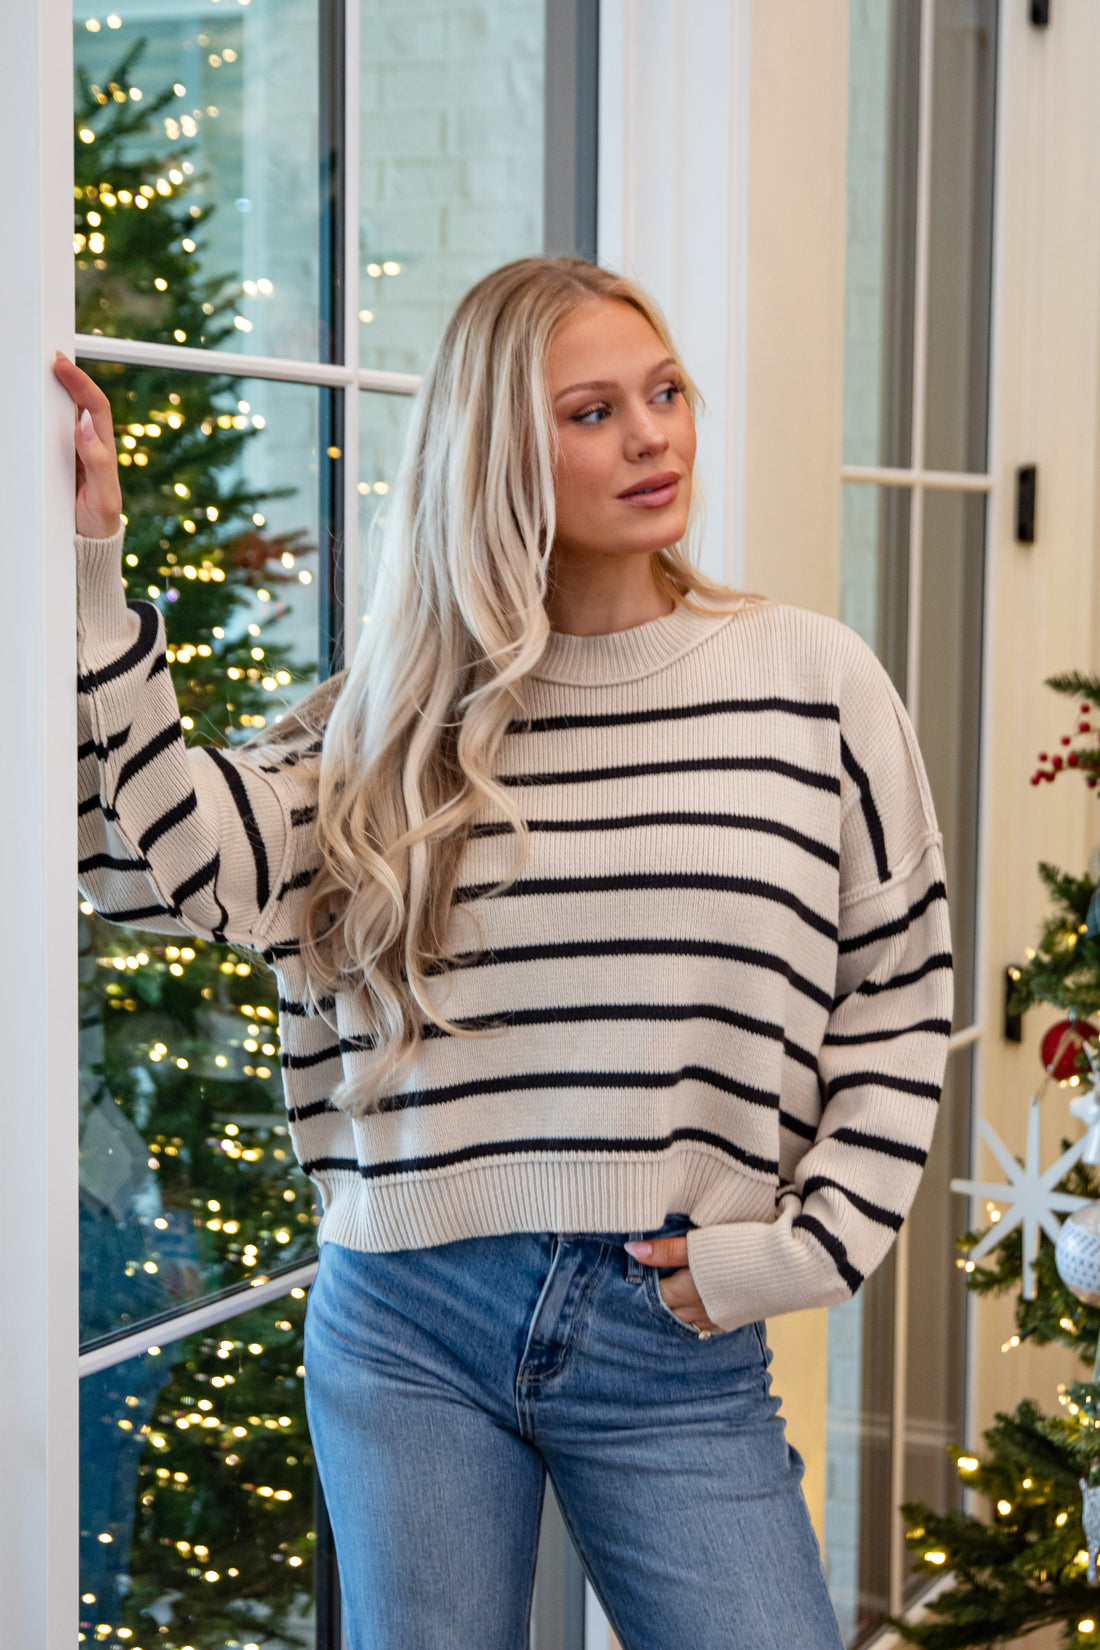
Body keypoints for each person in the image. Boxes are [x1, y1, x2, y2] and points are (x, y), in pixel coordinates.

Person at [57, 254, 953, 1650]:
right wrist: (94, 581)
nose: (652, 435)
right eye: (592, 411)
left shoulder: (810, 682)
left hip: (672, 1328)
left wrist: (809, 1248)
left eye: (664, 393)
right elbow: (173, 857)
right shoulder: (391, 718)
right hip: (404, 1317)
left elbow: (898, 994)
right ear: (496, 453)